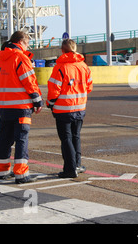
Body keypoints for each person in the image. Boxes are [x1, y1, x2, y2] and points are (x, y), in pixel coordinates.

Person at [0, 31, 43, 184]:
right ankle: (21, 174)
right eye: (27, 42)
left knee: (4, 139)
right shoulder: (20, 58)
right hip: (21, 106)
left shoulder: (0, 59)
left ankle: (2, 171)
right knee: (21, 139)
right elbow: (29, 81)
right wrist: (37, 100)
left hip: (4, 106)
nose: (28, 46)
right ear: (21, 41)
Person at [47, 39, 93, 178]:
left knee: (66, 138)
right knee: (76, 136)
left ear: (62, 50)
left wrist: (50, 103)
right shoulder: (83, 66)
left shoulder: (60, 67)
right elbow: (89, 86)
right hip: (80, 108)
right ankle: (77, 165)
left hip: (63, 109)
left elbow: (54, 89)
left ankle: (70, 169)